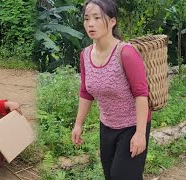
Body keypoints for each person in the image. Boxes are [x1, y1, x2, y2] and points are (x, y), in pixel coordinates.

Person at [71, 0, 151, 179]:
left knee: (122, 176)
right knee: (110, 175)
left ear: (112, 21)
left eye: (97, 18)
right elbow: (86, 92)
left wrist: (140, 133)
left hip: (132, 125)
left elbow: (141, 94)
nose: (90, 23)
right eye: (86, 19)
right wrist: (78, 124)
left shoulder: (126, 53)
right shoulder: (85, 55)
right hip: (106, 125)